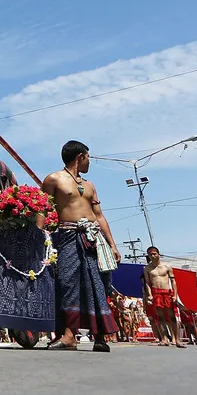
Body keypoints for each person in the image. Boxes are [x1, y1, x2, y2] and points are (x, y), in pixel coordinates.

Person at [42, 140, 120, 352]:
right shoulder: (53, 179)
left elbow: (99, 216)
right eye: (88, 157)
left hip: (93, 238)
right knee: (68, 283)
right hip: (66, 236)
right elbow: (43, 210)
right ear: (80, 157)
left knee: (97, 284)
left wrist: (112, 244)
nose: (89, 162)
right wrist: (40, 236)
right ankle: (69, 336)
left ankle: (100, 337)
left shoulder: (90, 185)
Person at [142, 246, 186, 348]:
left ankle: (177, 340)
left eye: (154, 254)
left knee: (172, 317)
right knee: (160, 317)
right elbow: (148, 283)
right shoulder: (147, 268)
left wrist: (175, 295)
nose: (153, 256)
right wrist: (149, 295)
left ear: (158, 254)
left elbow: (173, 281)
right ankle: (164, 339)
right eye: (150, 254)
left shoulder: (167, 267)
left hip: (167, 293)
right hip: (156, 293)